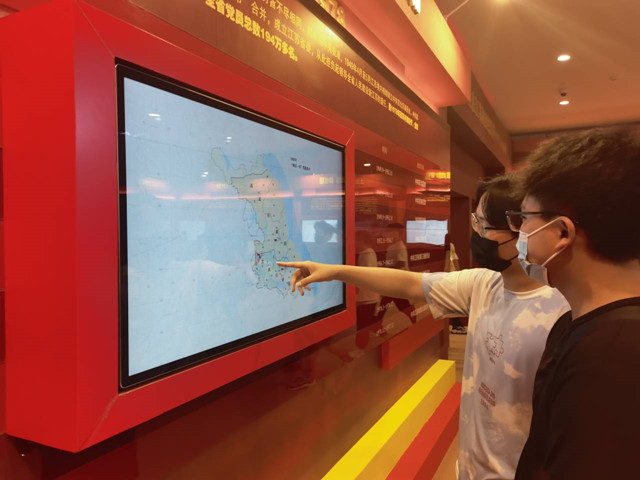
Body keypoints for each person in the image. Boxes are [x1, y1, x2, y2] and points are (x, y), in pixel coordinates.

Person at [279, 174, 569, 479]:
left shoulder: (562, 312)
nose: (476, 233)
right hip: (471, 470)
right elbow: (410, 284)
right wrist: (334, 271)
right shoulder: (484, 284)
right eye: (475, 222)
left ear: (521, 231)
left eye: (483, 225)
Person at [507, 127, 640, 480]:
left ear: (562, 233)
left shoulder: (614, 354)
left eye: (524, 218)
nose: (520, 232)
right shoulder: (585, 325)